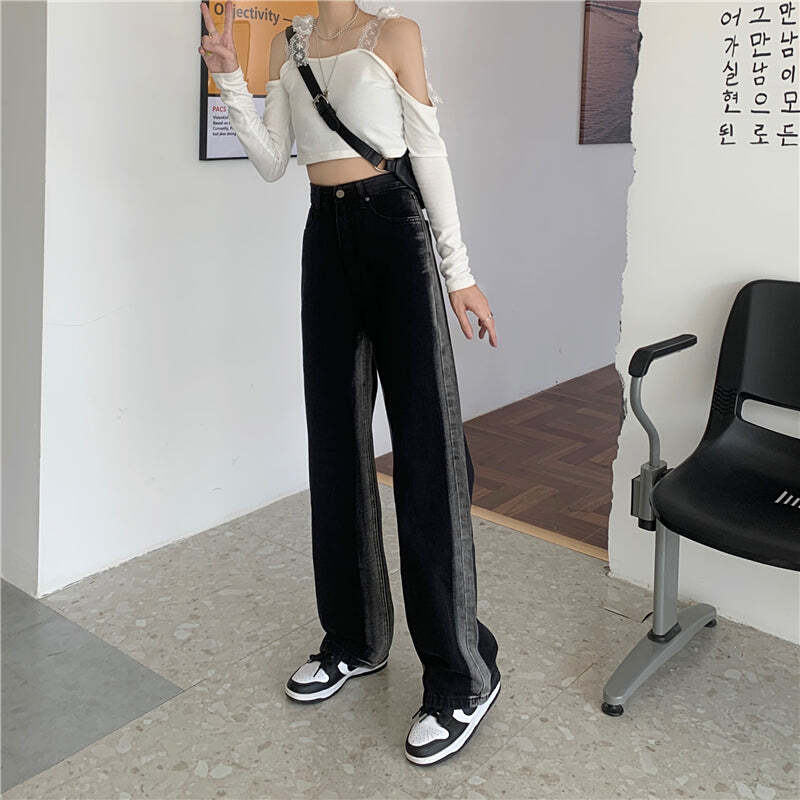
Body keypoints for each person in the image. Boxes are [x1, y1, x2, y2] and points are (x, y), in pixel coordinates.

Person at [199, 0, 501, 765]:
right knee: (334, 446)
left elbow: (428, 151)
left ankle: (461, 674)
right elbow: (274, 160)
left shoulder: (395, 35)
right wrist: (231, 79)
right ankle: (355, 637)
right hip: (324, 237)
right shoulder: (286, 46)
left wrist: (459, 274)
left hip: (395, 232)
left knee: (427, 452)